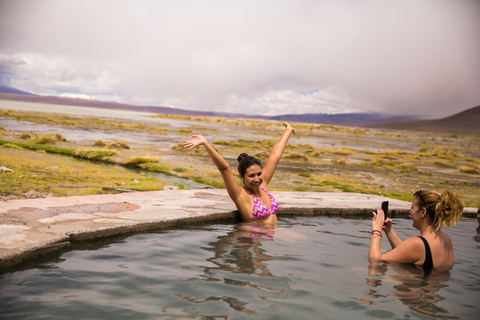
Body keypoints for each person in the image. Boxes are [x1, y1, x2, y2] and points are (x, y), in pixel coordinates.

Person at [182, 122, 295, 224]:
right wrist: (205, 144)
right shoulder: (240, 195)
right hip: (253, 236)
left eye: (259, 174)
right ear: (242, 176)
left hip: (272, 235)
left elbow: (275, 155)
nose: (257, 179)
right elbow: (224, 168)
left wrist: (288, 131)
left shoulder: (262, 184)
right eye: (251, 176)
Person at [368, 189, 464, 274]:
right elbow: (407, 253)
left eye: (412, 208)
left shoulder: (417, 243)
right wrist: (389, 231)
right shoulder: (446, 240)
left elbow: (375, 261)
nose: (410, 212)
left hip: (415, 291)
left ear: (423, 212)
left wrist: (376, 230)